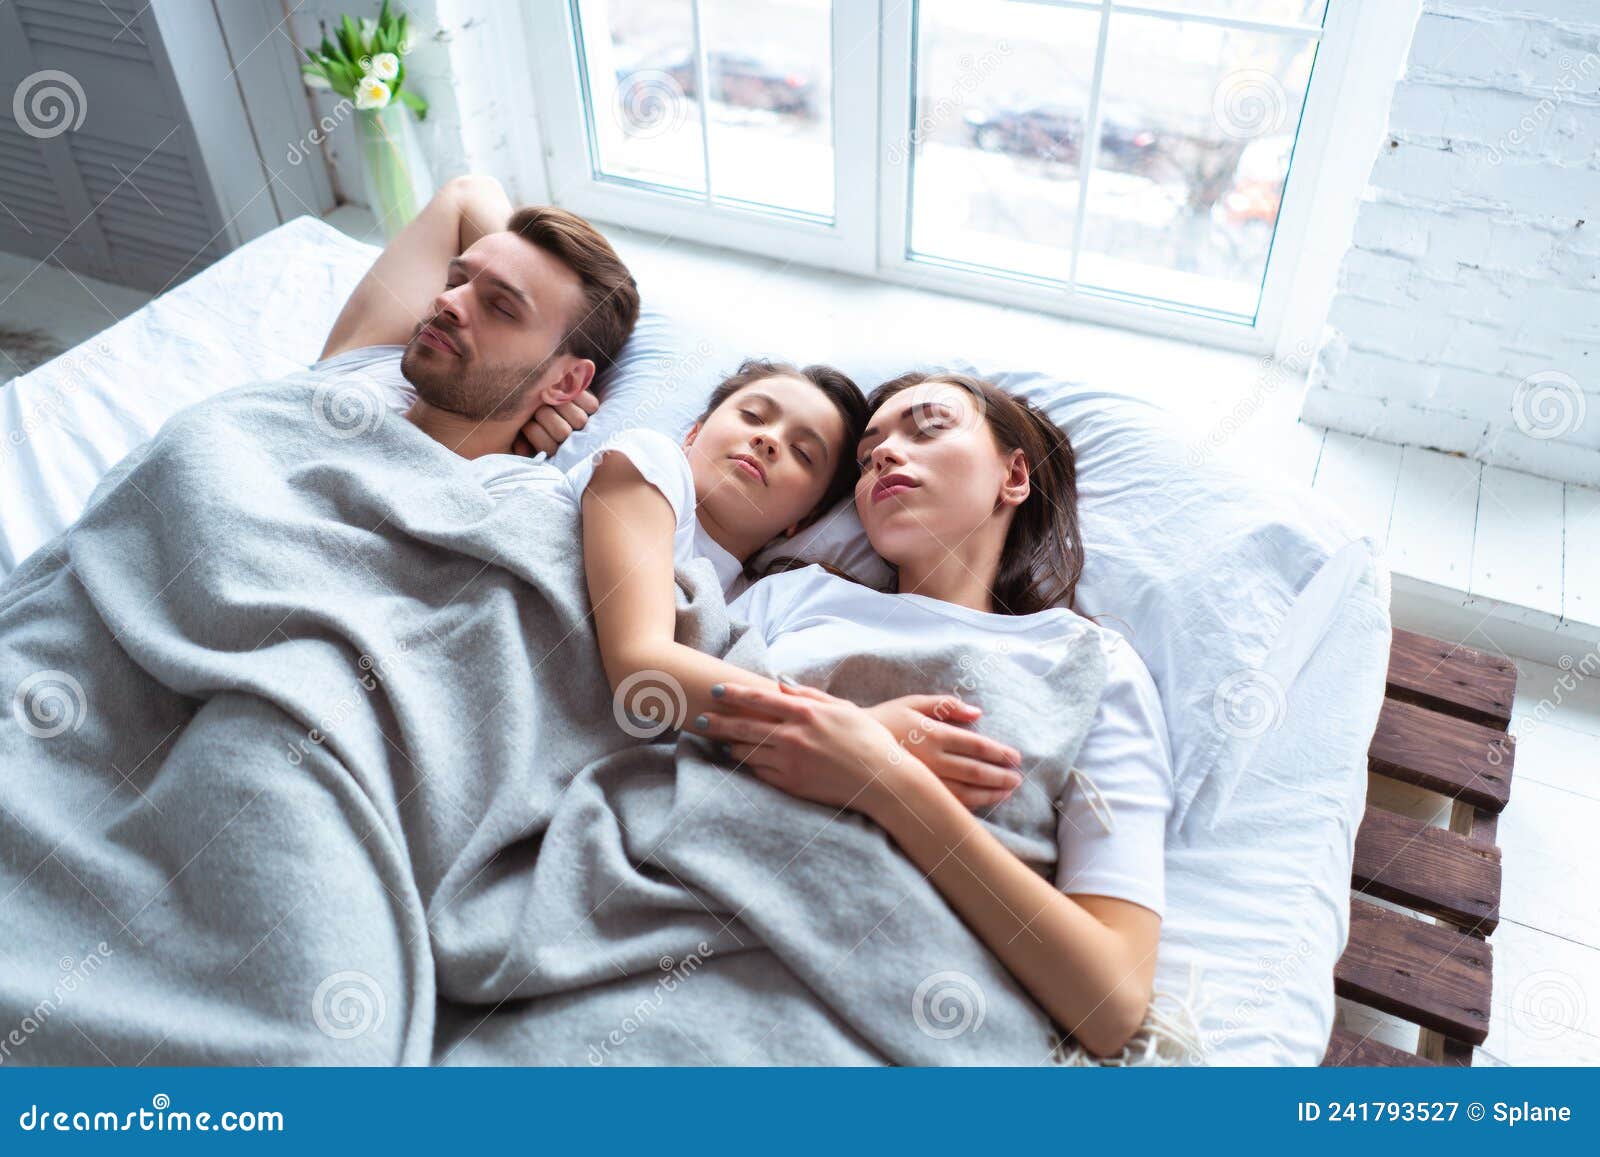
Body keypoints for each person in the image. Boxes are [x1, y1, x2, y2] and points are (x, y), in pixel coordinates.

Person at [694, 372, 1175, 1057]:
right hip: (688, 921)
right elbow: (655, 718)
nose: (885, 455)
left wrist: (885, 778)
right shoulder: (789, 598)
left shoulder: (1086, 661)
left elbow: (1112, 1004)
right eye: (866, 456)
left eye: (927, 428)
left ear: (1014, 476)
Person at [576, 361, 1030, 807]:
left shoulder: (741, 602)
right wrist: (861, 734)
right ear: (692, 433)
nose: (768, 439)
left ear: (806, 521)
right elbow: (643, 667)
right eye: (752, 415)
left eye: (804, 453)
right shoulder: (655, 462)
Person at [315, 174, 639, 463]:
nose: (446, 300)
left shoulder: (506, 502)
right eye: (455, 281)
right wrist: (538, 382)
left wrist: (543, 382)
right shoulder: (363, 368)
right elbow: (468, 193)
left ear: (567, 382)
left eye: (501, 307)